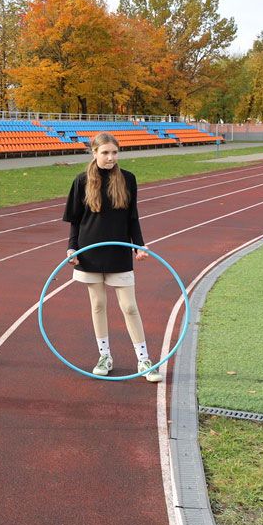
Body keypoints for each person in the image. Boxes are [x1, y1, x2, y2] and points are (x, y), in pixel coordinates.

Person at [62, 132, 162, 383]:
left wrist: (139, 245)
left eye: (114, 152)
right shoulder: (81, 181)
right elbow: (75, 221)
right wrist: (72, 248)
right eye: (105, 153)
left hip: (118, 252)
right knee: (98, 305)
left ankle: (144, 359)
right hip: (89, 251)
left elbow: (132, 217)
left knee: (129, 306)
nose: (110, 157)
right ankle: (105, 356)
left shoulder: (128, 179)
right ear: (94, 153)